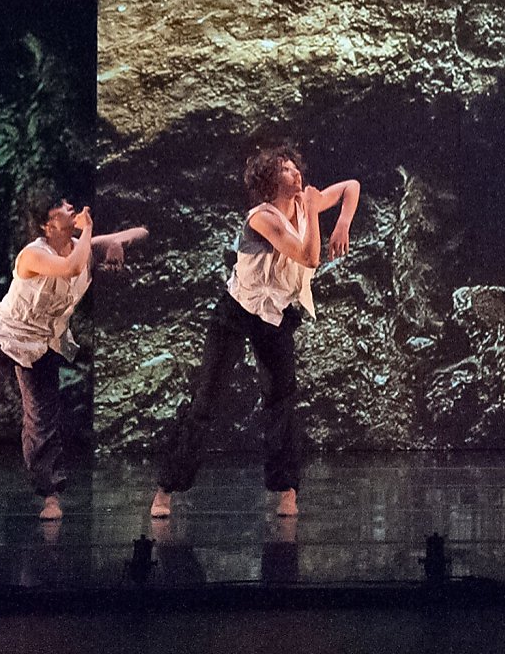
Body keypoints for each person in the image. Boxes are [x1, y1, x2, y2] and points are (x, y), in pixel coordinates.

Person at [149, 144, 359, 520]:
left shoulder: (300, 203)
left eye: (295, 166)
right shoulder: (262, 218)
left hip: (276, 315)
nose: (296, 172)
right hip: (237, 312)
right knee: (206, 402)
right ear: (269, 181)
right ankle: (166, 487)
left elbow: (351, 187)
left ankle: (287, 491)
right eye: (286, 169)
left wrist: (341, 222)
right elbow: (309, 257)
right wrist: (312, 209)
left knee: (281, 400)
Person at [0, 190, 147, 521]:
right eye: (60, 207)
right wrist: (90, 233)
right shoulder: (34, 255)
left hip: (42, 345)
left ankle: (49, 494)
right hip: (1, 338)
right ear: (48, 226)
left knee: (42, 422)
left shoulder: (80, 247)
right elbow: (69, 267)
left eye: (66, 202)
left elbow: (139, 233)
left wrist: (116, 243)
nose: (69, 206)